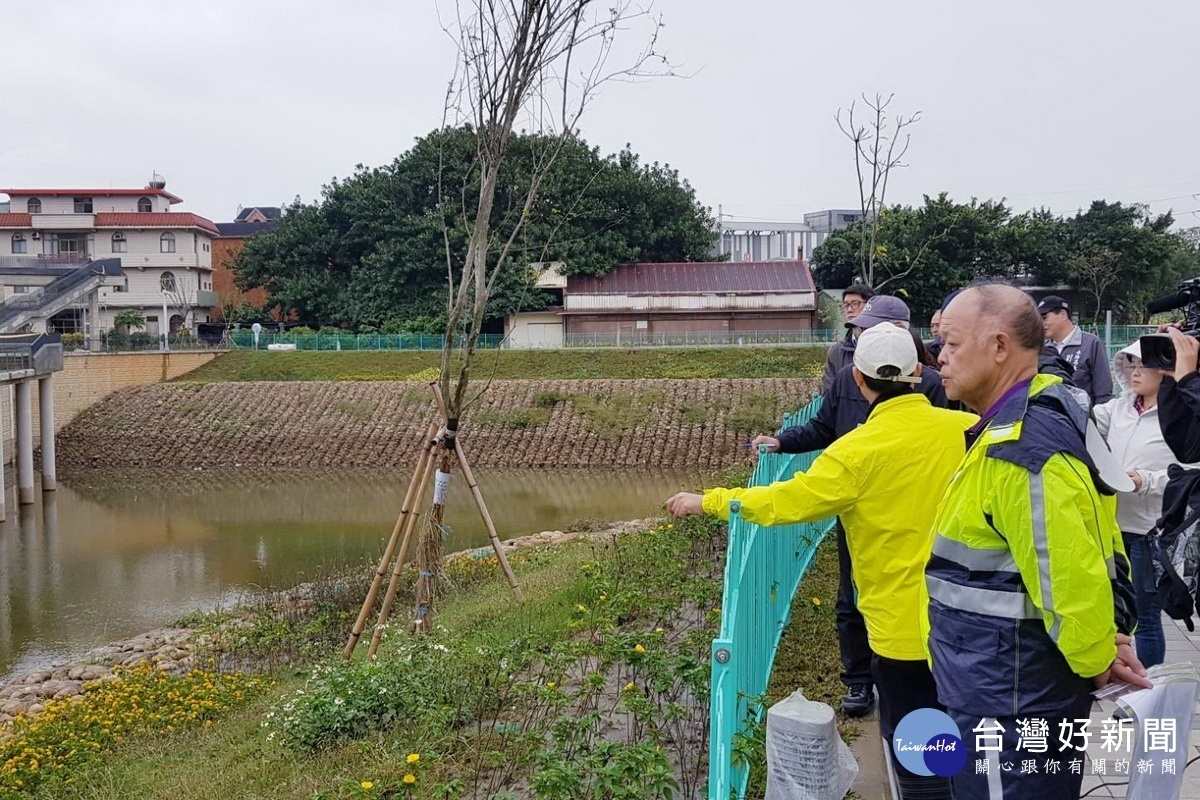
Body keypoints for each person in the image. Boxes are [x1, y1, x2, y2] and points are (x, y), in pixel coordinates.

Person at [668, 323, 977, 800]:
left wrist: (711, 500)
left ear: (858, 379)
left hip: (902, 630)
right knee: (973, 739)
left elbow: (785, 502)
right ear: (920, 372)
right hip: (972, 622)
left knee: (920, 749)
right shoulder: (969, 433)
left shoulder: (854, 452)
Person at [928, 284, 1149, 799]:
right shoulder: (1022, 423)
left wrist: (1096, 657)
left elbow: (1070, 577)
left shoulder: (1024, 450)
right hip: (998, 680)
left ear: (1000, 345)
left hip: (1010, 696)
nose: (940, 358)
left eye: (953, 344)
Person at [755, 295, 948, 718]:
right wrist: (784, 440)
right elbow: (824, 427)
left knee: (920, 590)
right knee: (853, 596)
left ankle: (923, 672)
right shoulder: (845, 380)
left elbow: (788, 501)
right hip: (859, 504)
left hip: (916, 506)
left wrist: (713, 503)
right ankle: (860, 682)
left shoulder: (935, 388)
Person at [1093, 340, 1197, 668]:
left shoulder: (1181, 417)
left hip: (1151, 531)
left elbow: (1189, 476)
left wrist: (1145, 479)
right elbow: (1087, 423)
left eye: (1144, 365)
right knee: (1119, 615)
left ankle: (1148, 693)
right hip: (1113, 526)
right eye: (1131, 365)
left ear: (1166, 369)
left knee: (1146, 619)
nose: (1136, 372)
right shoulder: (1119, 408)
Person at [1037, 294, 1114, 404]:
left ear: (1063, 315)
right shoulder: (1041, 349)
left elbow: (1103, 390)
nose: (1041, 323)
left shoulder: (1091, 343)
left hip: (1084, 417)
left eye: (1044, 318)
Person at [822, 283, 875, 393]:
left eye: (855, 304)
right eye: (846, 305)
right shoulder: (836, 352)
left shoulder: (886, 345)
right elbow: (829, 394)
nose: (849, 309)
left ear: (870, 306)